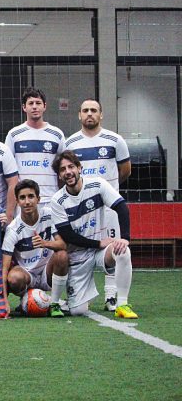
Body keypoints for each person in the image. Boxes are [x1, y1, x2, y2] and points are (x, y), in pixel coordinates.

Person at [49, 150, 137, 319]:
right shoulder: (57, 200)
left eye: (71, 167)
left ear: (80, 168)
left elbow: (121, 207)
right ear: (59, 176)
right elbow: (68, 235)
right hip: (78, 256)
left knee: (123, 251)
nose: (68, 172)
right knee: (78, 311)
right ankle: (70, 300)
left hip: (100, 253)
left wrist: (125, 238)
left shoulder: (98, 185)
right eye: (62, 169)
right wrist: (98, 243)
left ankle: (122, 304)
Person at [65, 98, 131, 311]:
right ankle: (77, 290)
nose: (89, 114)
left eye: (94, 110)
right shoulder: (71, 142)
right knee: (80, 249)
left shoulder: (115, 140)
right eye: (85, 110)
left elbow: (126, 169)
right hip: (83, 210)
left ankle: (111, 296)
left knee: (114, 246)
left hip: (108, 207)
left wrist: (108, 190)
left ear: (101, 115)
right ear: (79, 115)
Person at [1, 179, 68, 318]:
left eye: (31, 196)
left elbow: (63, 245)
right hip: (27, 274)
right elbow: (4, 269)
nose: (27, 202)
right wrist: (4, 303)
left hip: (47, 271)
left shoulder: (50, 214)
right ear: (17, 202)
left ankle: (55, 303)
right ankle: (26, 298)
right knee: (13, 277)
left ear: (38, 199)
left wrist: (45, 243)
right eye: (22, 197)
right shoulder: (13, 230)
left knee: (62, 255)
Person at [4, 87, 64, 207]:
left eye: (38, 103)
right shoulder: (14, 134)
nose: (35, 106)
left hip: (50, 199)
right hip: (23, 201)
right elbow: (8, 169)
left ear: (45, 106)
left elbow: (64, 166)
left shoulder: (57, 134)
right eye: (31, 103)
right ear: (24, 107)